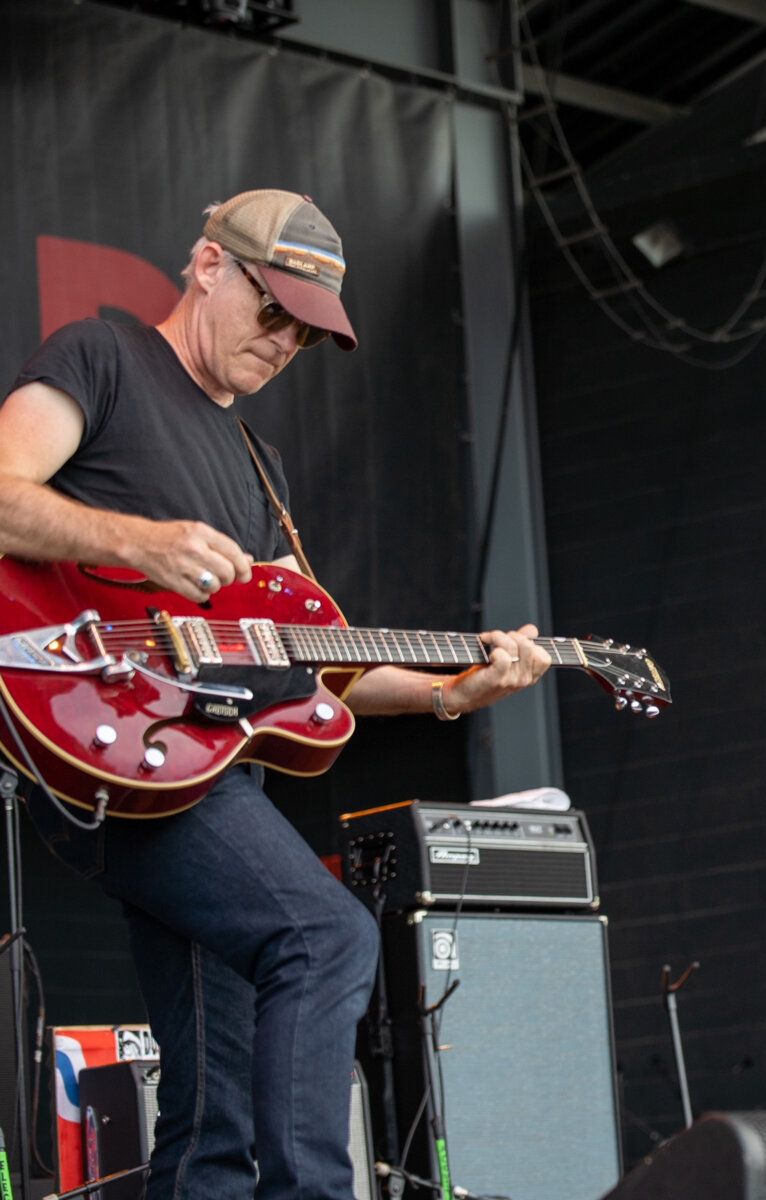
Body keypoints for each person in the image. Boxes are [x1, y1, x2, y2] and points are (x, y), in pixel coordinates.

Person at [0, 190, 551, 1199]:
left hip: (212, 767)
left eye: (308, 328)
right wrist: (134, 539)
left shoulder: (261, 467)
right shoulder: (102, 359)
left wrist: (450, 696)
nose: (287, 338)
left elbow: (308, 667)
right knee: (324, 934)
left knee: (214, 1116)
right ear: (209, 263)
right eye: (273, 309)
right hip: (107, 738)